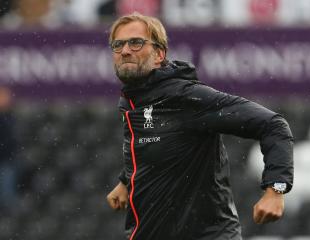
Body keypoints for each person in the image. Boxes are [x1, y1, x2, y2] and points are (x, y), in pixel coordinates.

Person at [106, 12, 294, 240]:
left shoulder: (188, 98)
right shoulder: (132, 102)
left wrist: (276, 190)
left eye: (136, 42)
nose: (125, 51)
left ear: (159, 54)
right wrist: (127, 180)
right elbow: (157, 144)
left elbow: (273, 125)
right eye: (118, 44)